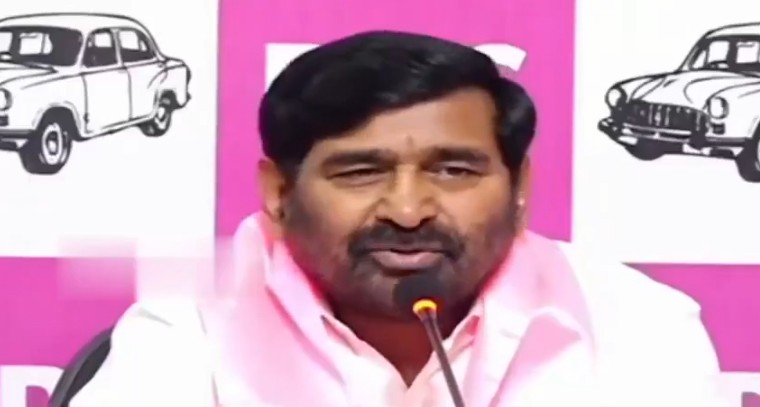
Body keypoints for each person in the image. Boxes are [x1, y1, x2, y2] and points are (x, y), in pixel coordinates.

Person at [71, 31, 725, 407]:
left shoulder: (638, 326)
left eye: (455, 170)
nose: (408, 211)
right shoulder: (187, 325)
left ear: (520, 186)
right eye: (360, 172)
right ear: (278, 193)